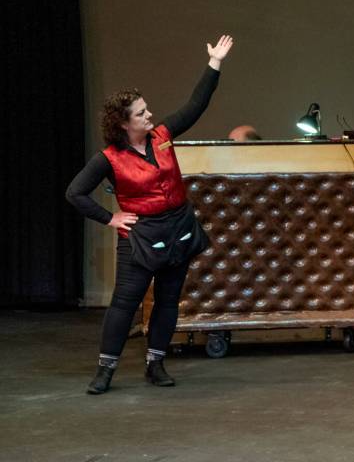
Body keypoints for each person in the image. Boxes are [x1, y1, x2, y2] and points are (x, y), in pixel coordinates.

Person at [66, 35, 234, 394]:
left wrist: (214, 63)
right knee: (125, 303)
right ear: (124, 124)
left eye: (147, 109)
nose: (149, 114)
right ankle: (106, 370)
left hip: (178, 226)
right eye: (141, 112)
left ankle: (155, 363)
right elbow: (75, 193)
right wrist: (111, 218)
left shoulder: (162, 136)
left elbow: (195, 105)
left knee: (169, 299)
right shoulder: (109, 157)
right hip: (141, 235)